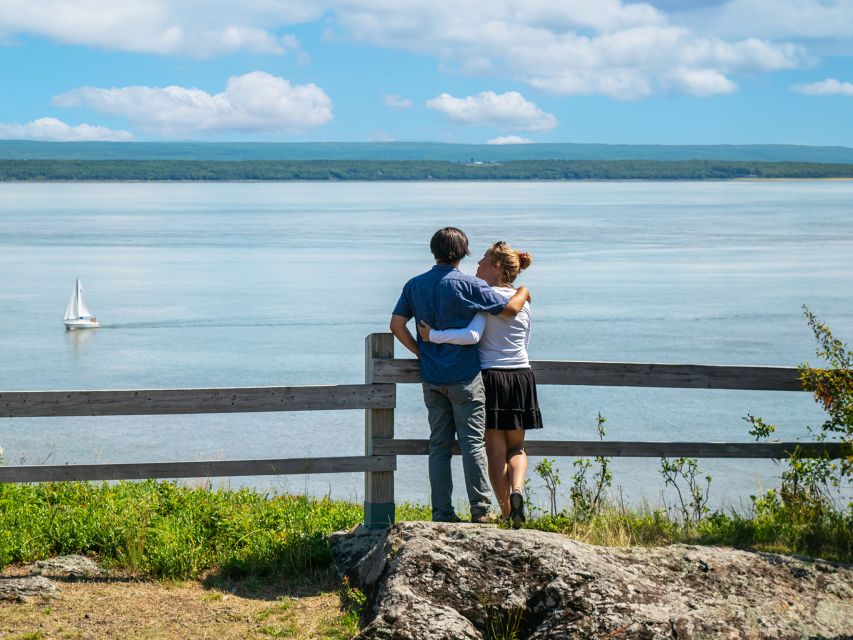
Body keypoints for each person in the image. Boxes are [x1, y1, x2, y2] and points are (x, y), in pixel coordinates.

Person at [390, 228, 530, 523]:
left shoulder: (414, 285)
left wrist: (420, 351)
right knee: (472, 444)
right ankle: (480, 509)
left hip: (432, 377)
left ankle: (442, 512)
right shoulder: (468, 285)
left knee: (439, 445)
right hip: (466, 378)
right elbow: (508, 309)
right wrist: (523, 291)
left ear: (434, 251)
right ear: (463, 253)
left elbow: (396, 325)